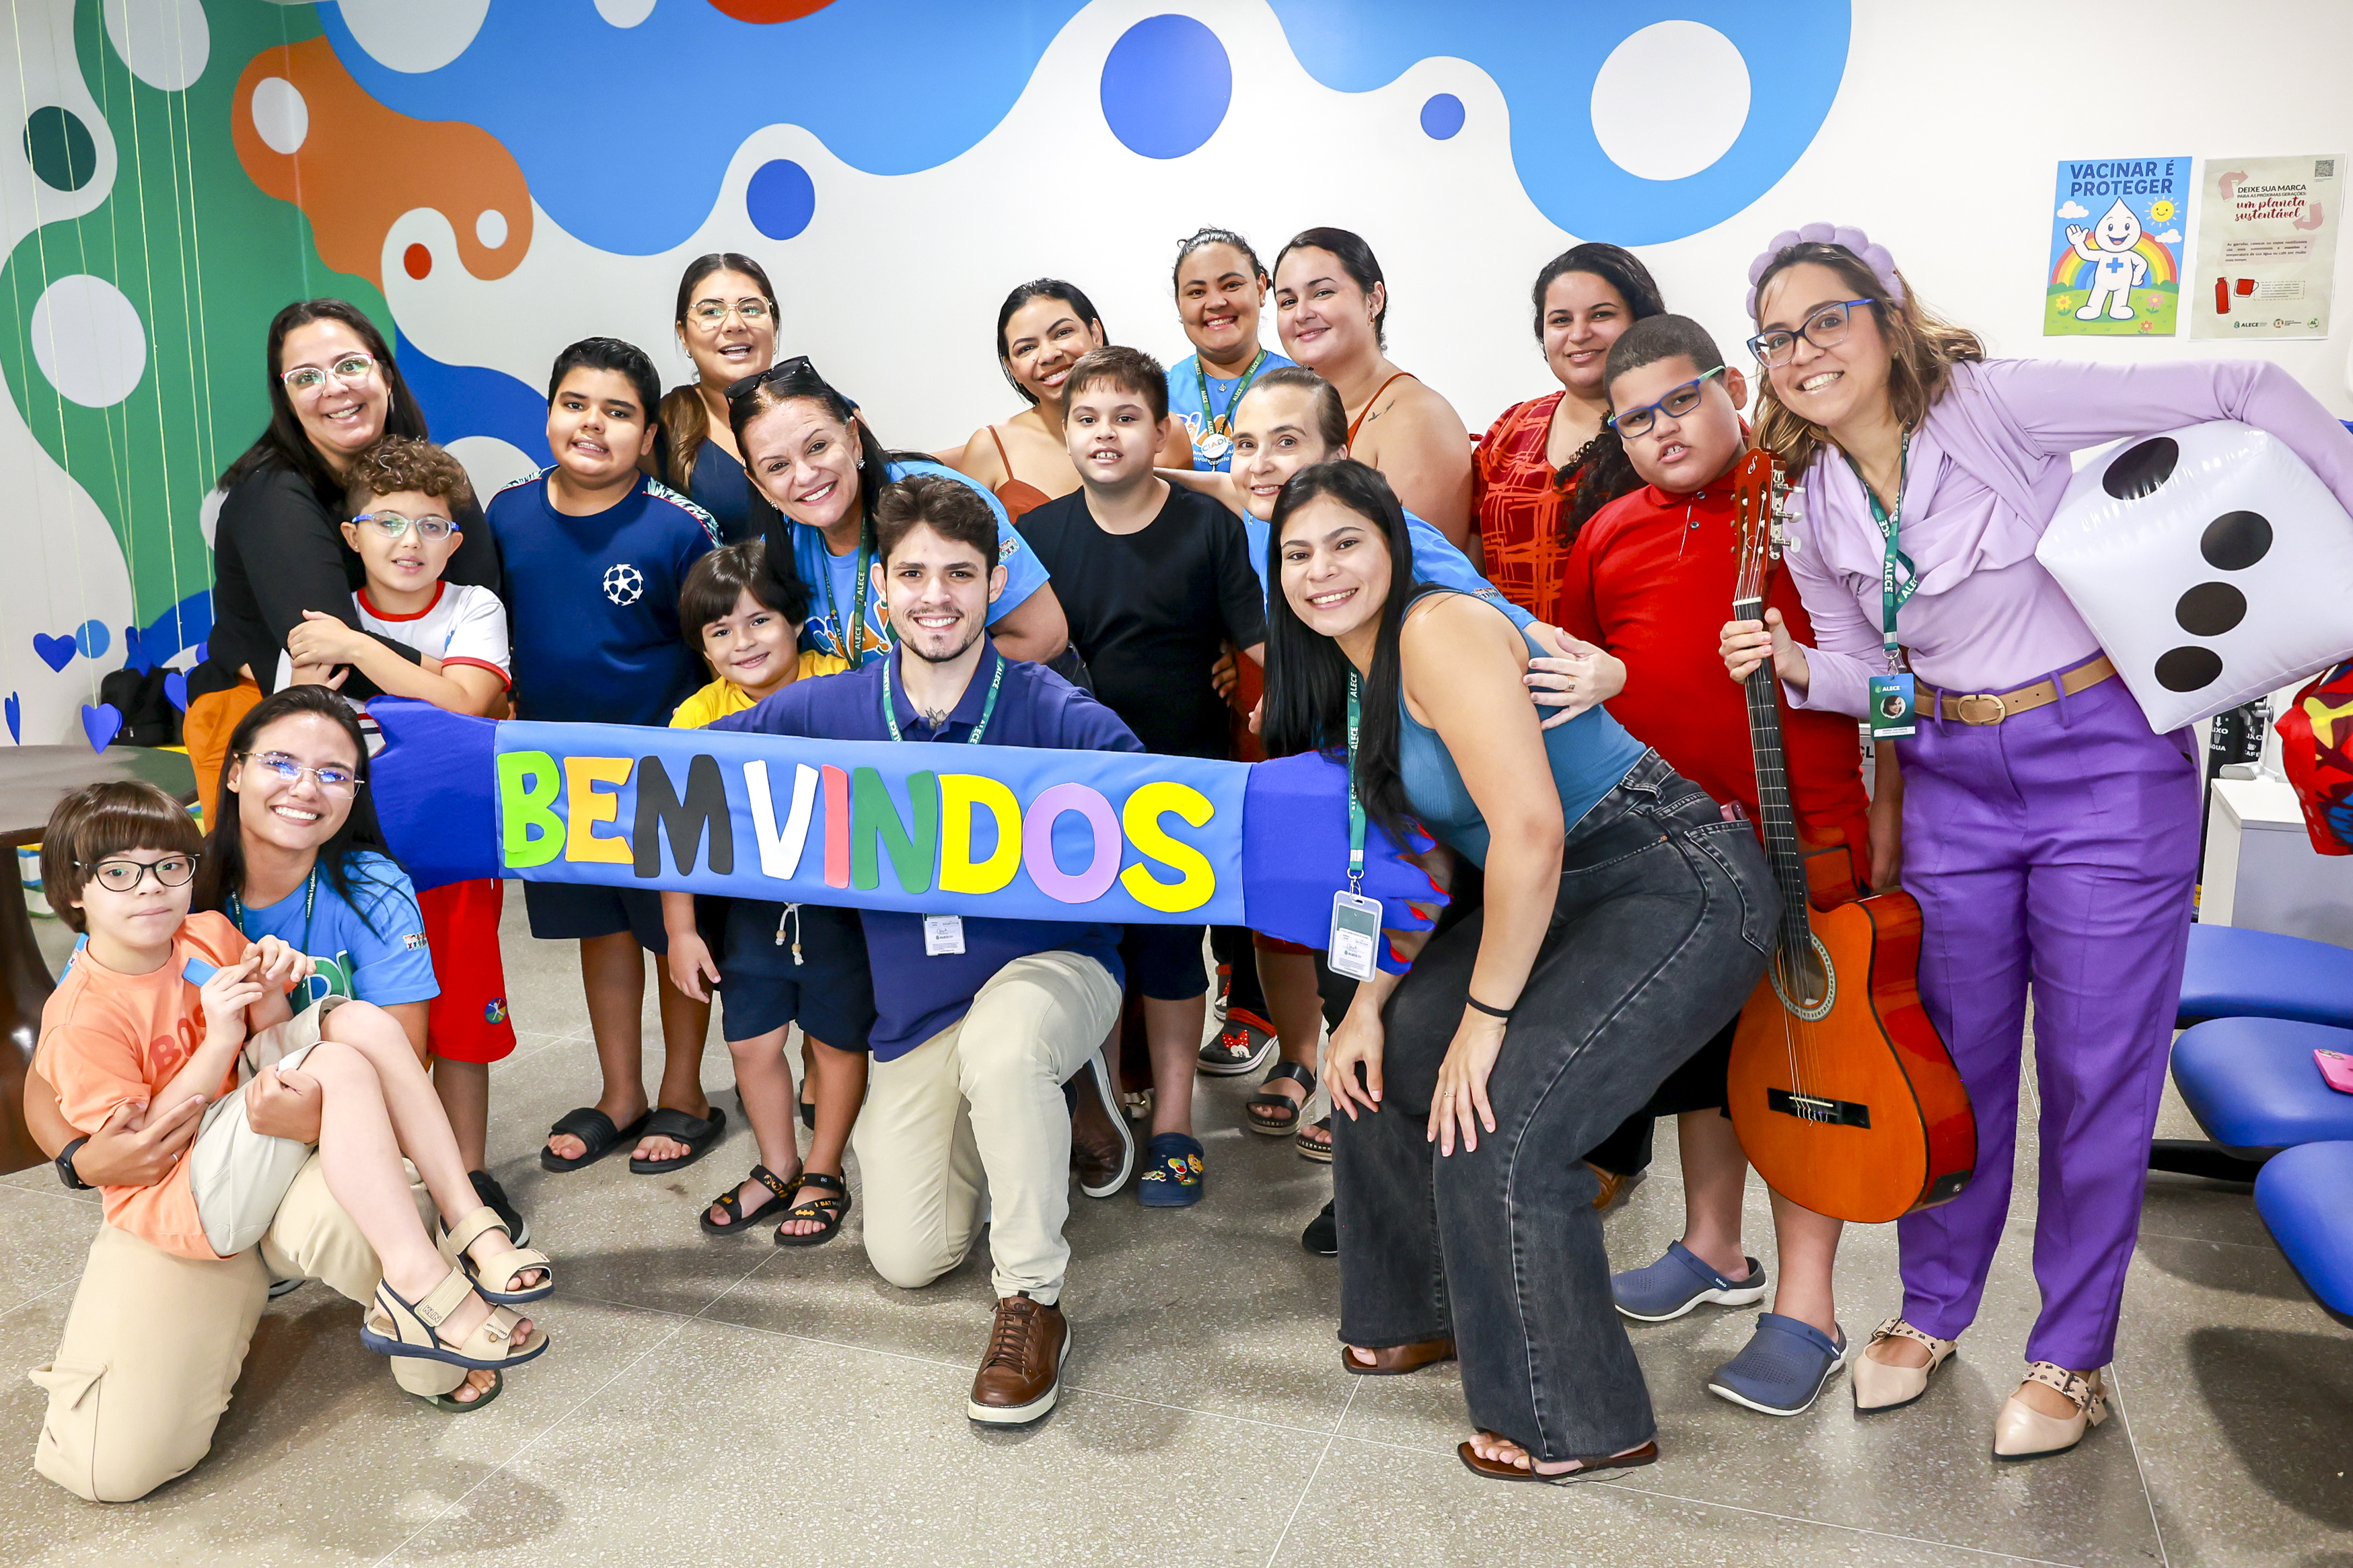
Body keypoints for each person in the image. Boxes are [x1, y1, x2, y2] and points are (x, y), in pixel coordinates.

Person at [1721, 223, 2353, 1458]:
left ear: (1887, 315)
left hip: (2103, 763)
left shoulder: (1997, 404)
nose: (1801, 351)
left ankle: (2072, 1351)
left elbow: (2243, 383)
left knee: (2094, 1068)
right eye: (1777, 337)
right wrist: (1800, 664)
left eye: (1825, 319)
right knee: (1946, 1064)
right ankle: (1933, 1306)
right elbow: (1878, 680)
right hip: (1947, 776)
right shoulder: (1813, 500)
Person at [1267, 457, 1774, 1481]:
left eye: (1345, 542)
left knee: (1500, 1120)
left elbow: (1532, 830)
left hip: (1664, 874)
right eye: (1297, 553)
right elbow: (1430, 859)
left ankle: (1577, 1419)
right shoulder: (1351, 675)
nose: (1321, 571)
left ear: (1394, 545)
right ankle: (1416, 1313)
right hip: (1546, 889)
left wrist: (1484, 1018)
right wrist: (1366, 1005)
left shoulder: (1435, 629)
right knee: (1377, 1061)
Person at [709, 472, 1136, 1425]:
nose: (934, 595)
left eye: (959, 573)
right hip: (922, 1009)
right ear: (880, 589)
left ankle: (1032, 1298)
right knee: (909, 1256)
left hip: (1055, 973)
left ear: (994, 584)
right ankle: (1044, 1104)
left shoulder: (1055, 709)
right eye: (911, 574)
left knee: (1008, 1050)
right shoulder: (829, 708)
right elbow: (684, 768)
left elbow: (1162, 817)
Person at [24, 777, 547, 1501]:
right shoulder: (82, 1015)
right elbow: (143, 1149)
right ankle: (421, 1281)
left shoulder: (207, 932)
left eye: (169, 866)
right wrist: (220, 1038)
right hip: (183, 1194)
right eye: (119, 872)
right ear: (72, 889)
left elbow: (270, 1037)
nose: (151, 888)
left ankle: (461, 1238)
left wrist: (271, 986)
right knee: (111, 1473)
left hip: (251, 1139)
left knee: (358, 1025)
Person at [1172, 366, 1624, 1165]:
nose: (1261, 464)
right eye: (1245, 445)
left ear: (1339, 460)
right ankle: (1364, 1146)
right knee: (1352, 962)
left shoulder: (1396, 544)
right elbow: (1224, 484)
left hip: (1462, 803)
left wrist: (1605, 671)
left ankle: (1397, 1142)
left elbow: (1496, 619)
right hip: (1365, 771)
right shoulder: (1257, 509)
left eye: (1285, 443)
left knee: (1408, 983)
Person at [1562, 313, 1883, 1417]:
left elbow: (1887, 658)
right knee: (1705, 1055)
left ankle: (1808, 1307)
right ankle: (1712, 1247)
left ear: (1730, 388)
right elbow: (1586, 677)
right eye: (1633, 420)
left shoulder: (1809, 500)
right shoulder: (1608, 532)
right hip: (1671, 853)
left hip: (1802, 833)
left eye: (1679, 401)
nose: (1660, 430)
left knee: (1798, 1064)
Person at [1017, 346, 1266, 1206]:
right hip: (1072, 787)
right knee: (1089, 947)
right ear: (1064, 432)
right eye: (1086, 418)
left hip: (1180, 781)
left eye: (1126, 418)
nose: (1105, 433)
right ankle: (1101, 1107)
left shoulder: (1207, 528)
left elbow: (1256, 641)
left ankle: (1173, 1123)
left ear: (1161, 432)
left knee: (1170, 951)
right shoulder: (1040, 535)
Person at [489, 336, 725, 1176]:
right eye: (575, 405)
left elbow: (720, 654)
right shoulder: (506, 515)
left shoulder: (680, 528)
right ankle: (620, 1093)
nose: (593, 424)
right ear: (549, 414)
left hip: (665, 774)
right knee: (603, 931)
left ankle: (685, 1092)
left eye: (618, 413)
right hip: (555, 772)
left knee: (672, 932)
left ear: (648, 435)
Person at [270, 437, 520, 1211]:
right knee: (371, 1017)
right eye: (388, 523)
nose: (410, 542)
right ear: (352, 536)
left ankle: (467, 1178)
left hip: (456, 856)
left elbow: (466, 701)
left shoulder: (472, 608)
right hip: (352, 861)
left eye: (431, 526)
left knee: (462, 1018)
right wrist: (332, 651)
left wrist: (356, 648)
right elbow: (289, 730)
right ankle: (388, 1177)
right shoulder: (322, 619)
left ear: (454, 539)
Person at [191, 299, 503, 822]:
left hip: (423, 725)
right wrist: (461, 684)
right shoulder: (272, 497)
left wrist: (471, 685)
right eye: (305, 377)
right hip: (277, 720)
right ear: (286, 398)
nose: (333, 388)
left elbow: (482, 600)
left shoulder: (434, 478)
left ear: (385, 373)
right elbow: (328, 654)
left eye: (349, 365)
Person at [659, 541, 867, 1245]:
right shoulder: (695, 716)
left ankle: (824, 1168)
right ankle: (778, 1165)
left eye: (759, 621)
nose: (743, 642)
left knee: (835, 1043)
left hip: (841, 909)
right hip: (749, 913)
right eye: (721, 631)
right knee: (750, 1043)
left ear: (795, 621)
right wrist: (681, 930)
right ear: (702, 647)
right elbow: (676, 833)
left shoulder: (841, 684)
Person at [730, 357, 1066, 667]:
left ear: (854, 439)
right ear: (760, 485)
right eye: (777, 466)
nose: (804, 476)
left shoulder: (941, 500)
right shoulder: (778, 551)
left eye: (817, 447)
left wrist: (915, 695)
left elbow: (1043, 636)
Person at [1474, 244, 1667, 626]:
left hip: (1632, 655)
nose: (1579, 334)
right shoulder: (1512, 427)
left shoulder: (1680, 422)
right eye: (1561, 320)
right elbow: (1468, 562)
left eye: (1601, 315)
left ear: (1639, 321)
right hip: (1513, 656)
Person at [1270, 229, 1472, 546]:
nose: (1301, 314)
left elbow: (1424, 564)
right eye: (1288, 301)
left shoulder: (1417, 418)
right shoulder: (1289, 412)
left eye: (1322, 293)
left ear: (1374, 300)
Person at [947, 279, 1108, 519]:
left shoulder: (1153, 429)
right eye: (1026, 349)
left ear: (1095, 334)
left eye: (1063, 333)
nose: (1048, 355)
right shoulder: (989, 448)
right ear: (1011, 368)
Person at [656, 252, 785, 544]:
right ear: (683, 335)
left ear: (774, 326)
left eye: (751, 309)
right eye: (711, 312)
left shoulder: (827, 412)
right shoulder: (660, 429)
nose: (734, 324)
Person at [1162, 228, 1295, 472]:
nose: (1215, 303)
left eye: (1231, 285)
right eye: (1196, 292)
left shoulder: (1301, 387)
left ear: (1260, 289)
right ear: (1179, 305)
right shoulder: (1158, 394)